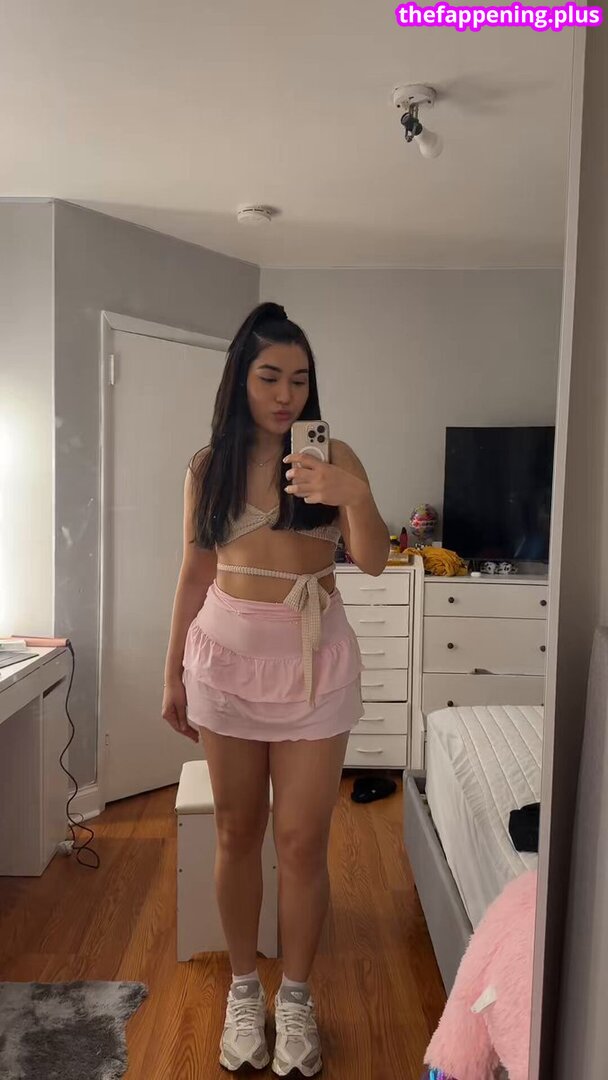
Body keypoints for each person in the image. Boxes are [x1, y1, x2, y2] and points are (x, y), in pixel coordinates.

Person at [162, 302, 389, 1076]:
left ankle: (295, 998)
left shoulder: (334, 456)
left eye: (299, 379)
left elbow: (374, 560)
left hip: (314, 663)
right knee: (236, 833)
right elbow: (195, 571)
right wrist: (171, 671)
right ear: (241, 378)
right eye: (269, 377)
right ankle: (242, 991)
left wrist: (351, 493)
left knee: (301, 841)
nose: (286, 394)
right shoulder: (209, 467)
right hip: (224, 662)